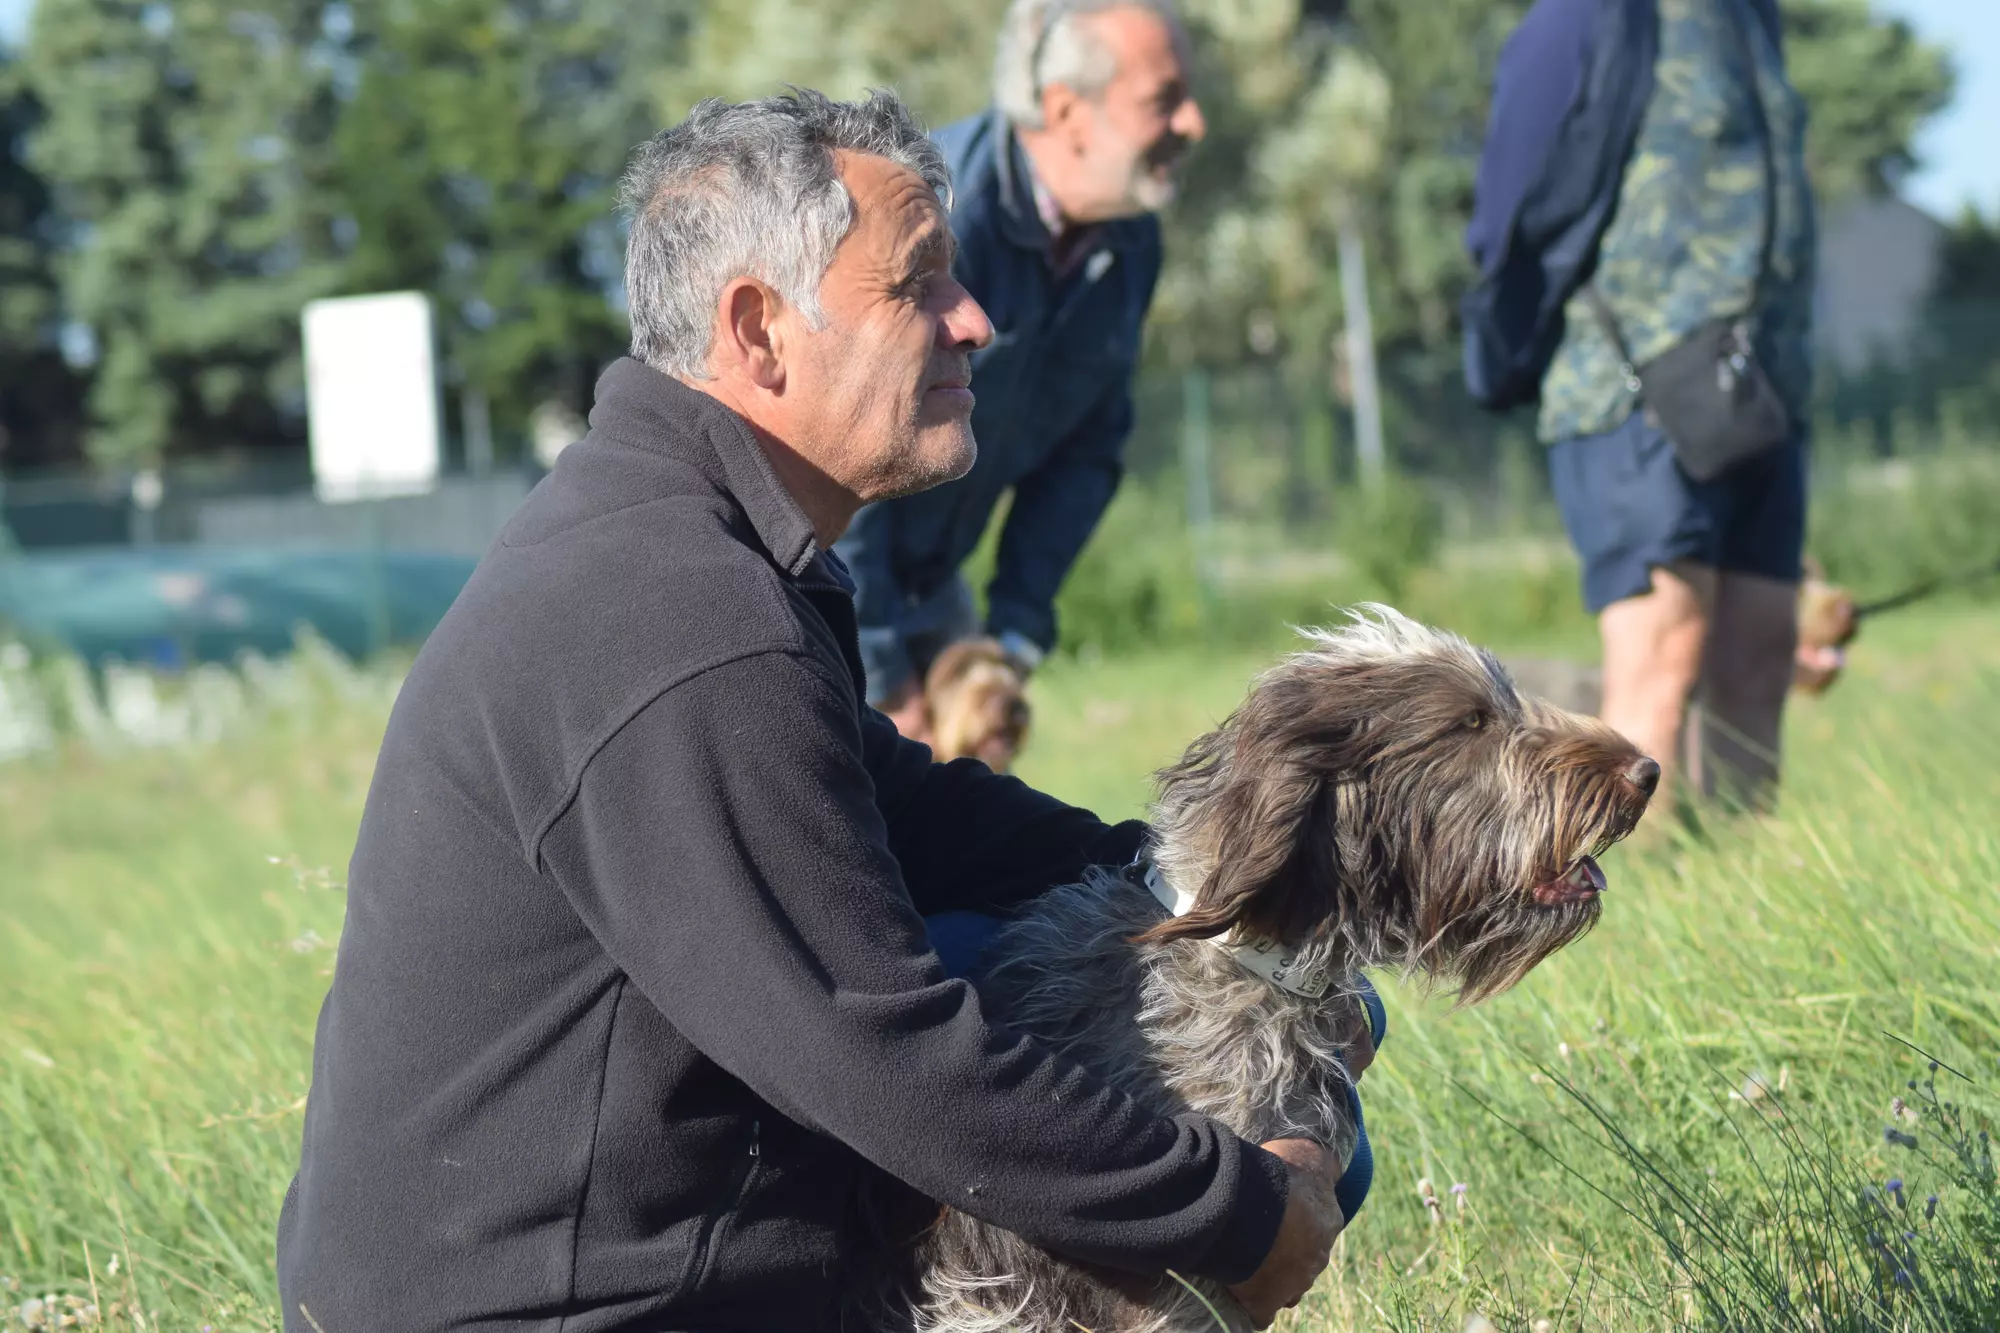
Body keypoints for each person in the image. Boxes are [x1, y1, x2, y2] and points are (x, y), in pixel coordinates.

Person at [275, 89, 1344, 1332]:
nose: (977, 320)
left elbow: (911, 814)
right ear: (759, 330)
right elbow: (885, 1051)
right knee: (1247, 1134)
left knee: (1187, 1011)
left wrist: (1221, 892)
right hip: (572, 1311)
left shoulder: (692, 545)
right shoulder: (677, 618)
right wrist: (1236, 1215)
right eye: (919, 285)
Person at [1464, 0, 1815, 808]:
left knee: (1761, 650)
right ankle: (1625, 905)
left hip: (1765, 387)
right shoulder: (1590, 16)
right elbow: (1508, 206)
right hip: (1630, 383)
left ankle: (1740, 894)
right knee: (1663, 654)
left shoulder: (1752, 16)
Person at [835, 0, 1205, 744]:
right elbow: (849, 444)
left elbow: (1088, 451)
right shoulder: (935, 218)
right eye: (1165, 100)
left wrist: (1018, 632)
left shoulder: (1131, 247)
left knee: (969, 817)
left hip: (932, 584)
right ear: (1067, 111)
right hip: (824, 582)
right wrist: (879, 668)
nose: (1194, 123)